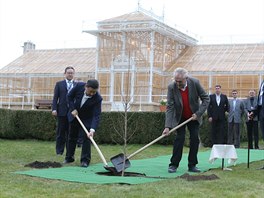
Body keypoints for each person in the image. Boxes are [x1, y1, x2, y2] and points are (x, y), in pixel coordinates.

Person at [162, 67, 209, 173]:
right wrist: (167, 126)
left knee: (194, 139)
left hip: (194, 116)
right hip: (180, 117)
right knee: (180, 138)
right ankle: (173, 165)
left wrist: (198, 113)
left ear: (186, 78)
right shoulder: (172, 87)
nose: (177, 83)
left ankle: (192, 165)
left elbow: (206, 99)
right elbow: (170, 107)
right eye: (176, 81)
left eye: (180, 81)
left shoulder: (195, 83)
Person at [64, 79, 102, 167]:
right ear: (86, 87)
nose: (92, 94)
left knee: (86, 138)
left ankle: (85, 160)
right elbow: (69, 97)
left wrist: (92, 130)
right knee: (71, 137)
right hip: (74, 115)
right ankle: (69, 157)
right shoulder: (78, 86)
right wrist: (72, 108)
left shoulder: (98, 98)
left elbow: (96, 115)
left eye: (94, 92)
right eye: (91, 91)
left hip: (86, 119)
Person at [52, 66, 75, 155]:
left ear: (74, 74)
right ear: (65, 74)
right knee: (60, 133)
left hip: (72, 113)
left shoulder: (77, 85)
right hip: (61, 112)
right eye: (68, 73)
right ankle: (59, 151)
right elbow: (55, 98)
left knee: (70, 133)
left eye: (72, 73)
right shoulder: (59, 84)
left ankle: (69, 152)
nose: (70, 74)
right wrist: (54, 109)